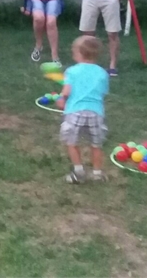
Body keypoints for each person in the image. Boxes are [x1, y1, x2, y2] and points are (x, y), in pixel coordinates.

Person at [57, 36, 110, 184]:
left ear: (79, 53)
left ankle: (79, 171)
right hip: (96, 112)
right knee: (96, 144)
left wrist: (61, 99)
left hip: (75, 111)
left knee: (71, 142)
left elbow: (66, 91)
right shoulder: (102, 73)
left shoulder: (71, 71)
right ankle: (97, 173)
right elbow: (103, 92)